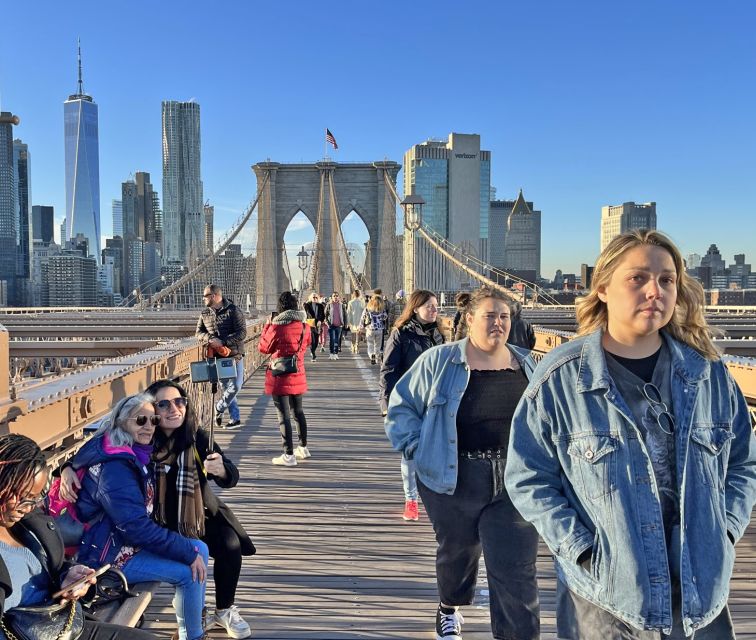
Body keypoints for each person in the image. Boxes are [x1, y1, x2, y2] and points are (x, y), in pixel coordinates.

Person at [505, 229, 756, 640]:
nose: (654, 290)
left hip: (700, 595)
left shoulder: (709, 375)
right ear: (602, 288)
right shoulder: (560, 378)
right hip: (607, 599)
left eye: (666, 279)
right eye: (637, 278)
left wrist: (725, 529)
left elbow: (745, 463)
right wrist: (583, 551)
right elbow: (526, 477)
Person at [385, 287, 540, 640]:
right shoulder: (439, 361)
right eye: (490, 315)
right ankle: (449, 606)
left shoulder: (529, 364)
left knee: (518, 569)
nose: (499, 322)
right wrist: (416, 449)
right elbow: (402, 408)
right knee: (459, 550)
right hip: (454, 476)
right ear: (469, 319)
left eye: (504, 316)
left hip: (515, 479)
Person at [61, 382, 255, 639]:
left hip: (191, 515)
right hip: (150, 525)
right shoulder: (140, 446)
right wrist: (64, 469)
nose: (173, 409)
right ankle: (193, 626)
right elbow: (92, 454)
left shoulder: (194, 437)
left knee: (228, 544)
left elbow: (230, 476)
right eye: (162, 405)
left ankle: (222, 610)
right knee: (191, 563)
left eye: (179, 402)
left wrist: (223, 470)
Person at [0, 433, 156, 640]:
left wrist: (67, 577)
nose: (26, 508)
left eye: (33, 498)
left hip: (56, 624)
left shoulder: (27, 522)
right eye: (19, 496)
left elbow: (50, 568)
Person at [380, 289, 445, 522]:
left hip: (438, 402)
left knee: (438, 452)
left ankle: (433, 498)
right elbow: (388, 371)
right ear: (415, 308)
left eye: (436, 306)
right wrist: (386, 405)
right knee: (410, 453)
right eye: (429, 306)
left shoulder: (439, 334)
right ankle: (411, 501)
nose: (434, 310)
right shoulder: (401, 334)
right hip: (410, 403)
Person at [259, 291, 312, 467]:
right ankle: (303, 448)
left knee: (284, 416)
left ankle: (288, 455)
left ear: (280, 307)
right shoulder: (305, 327)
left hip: (280, 376)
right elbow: (308, 344)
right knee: (299, 412)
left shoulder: (276, 327)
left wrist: (267, 327)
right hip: (298, 373)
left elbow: (263, 348)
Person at [195, 284, 247, 430]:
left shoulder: (233, 310)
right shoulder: (204, 313)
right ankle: (235, 419)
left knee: (236, 386)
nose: (203, 299)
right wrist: (210, 339)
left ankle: (219, 408)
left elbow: (242, 333)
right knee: (226, 388)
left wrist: (223, 342)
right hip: (217, 357)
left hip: (234, 355)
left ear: (214, 296)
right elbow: (198, 333)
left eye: (205, 296)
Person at [361, 295, 388, 365]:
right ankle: (376, 358)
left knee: (370, 344)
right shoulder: (381, 309)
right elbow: (385, 317)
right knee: (378, 345)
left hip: (370, 329)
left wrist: (361, 326)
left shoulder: (367, 308)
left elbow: (363, 318)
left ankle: (371, 355)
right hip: (379, 329)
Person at [324, 292, 347, 360]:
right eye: (334, 296)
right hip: (331, 325)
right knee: (332, 339)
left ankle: (336, 353)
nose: (335, 297)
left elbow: (345, 315)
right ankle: (331, 353)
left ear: (339, 297)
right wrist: (327, 323)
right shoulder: (329, 305)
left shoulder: (342, 305)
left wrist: (346, 323)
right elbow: (325, 314)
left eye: (337, 296)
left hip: (339, 325)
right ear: (332, 297)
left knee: (337, 340)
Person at [304, 292, 325, 362]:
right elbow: (304, 310)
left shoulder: (321, 306)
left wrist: (320, 320)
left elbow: (323, 315)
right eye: (313, 297)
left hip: (318, 324)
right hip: (310, 324)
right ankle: (313, 354)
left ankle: (313, 350)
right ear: (310, 298)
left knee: (316, 340)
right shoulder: (307, 305)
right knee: (312, 339)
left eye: (316, 297)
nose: (315, 298)